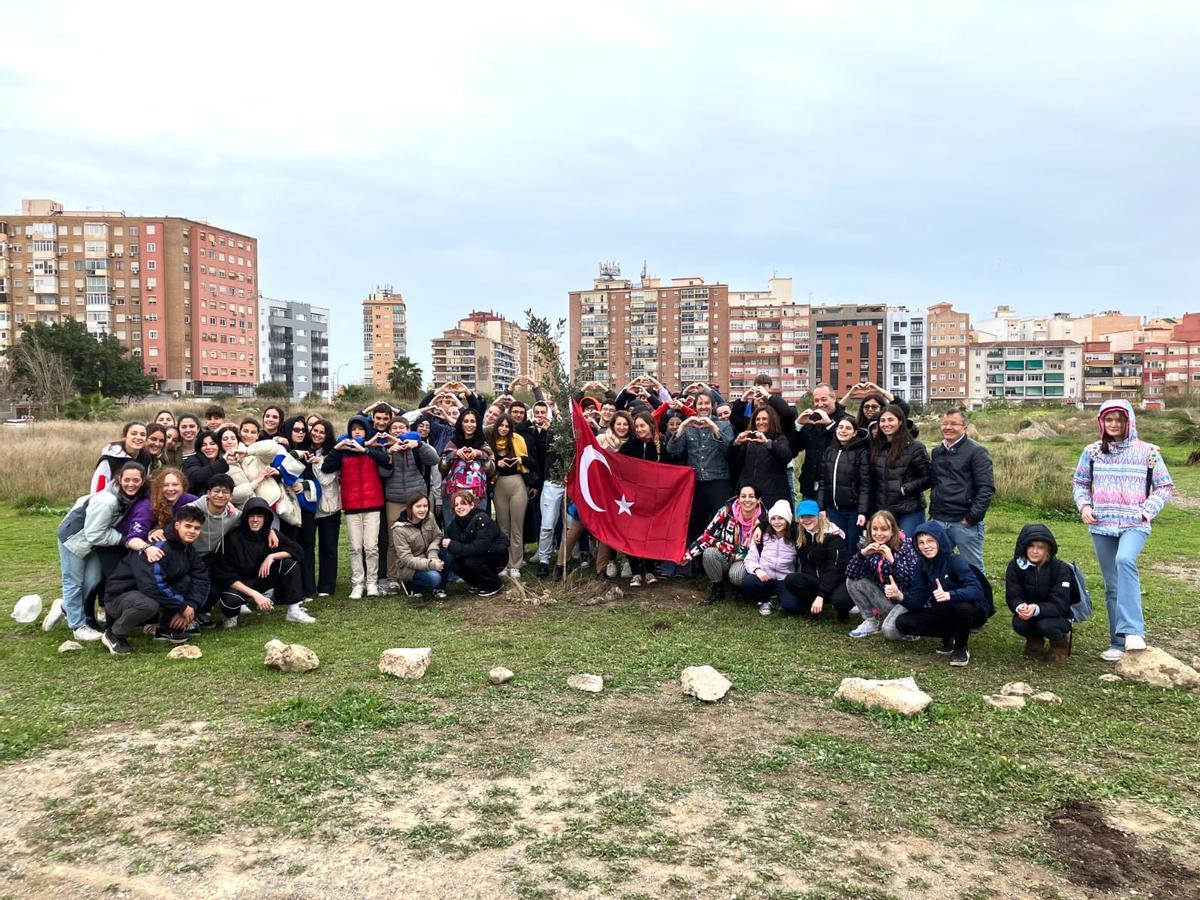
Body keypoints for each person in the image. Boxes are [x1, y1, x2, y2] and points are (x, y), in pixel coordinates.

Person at [1072, 399, 1173, 661]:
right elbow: (1081, 482)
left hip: (1135, 523)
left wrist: (1146, 510)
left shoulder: (1149, 452)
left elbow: (1164, 486)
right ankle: (1118, 643)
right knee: (1111, 584)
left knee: (1125, 560)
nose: (1114, 424)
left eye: (1120, 419)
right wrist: (1084, 507)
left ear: (1130, 421)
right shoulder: (1093, 452)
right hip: (1101, 524)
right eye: (1109, 419)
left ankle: (1134, 631)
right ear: (1101, 422)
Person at [47, 462, 149, 642]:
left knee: (93, 580)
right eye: (127, 480)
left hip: (93, 542)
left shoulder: (129, 497)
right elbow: (94, 534)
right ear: (119, 479)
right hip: (74, 540)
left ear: (142, 481)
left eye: (136, 480)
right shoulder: (107, 500)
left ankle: (65, 606)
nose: (131, 484)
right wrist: (124, 540)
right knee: (73, 582)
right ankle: (77, 626)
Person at [99, 506, 210, 654]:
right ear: (177, 525)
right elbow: (151, 586)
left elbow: (201, 578)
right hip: (120, 597)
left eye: (196, 528)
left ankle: (165, 628)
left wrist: (191, 604)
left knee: (185, 579)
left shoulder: (187, 549)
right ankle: (114, 633)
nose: (192, 531)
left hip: (144, 594)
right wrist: (182, 607)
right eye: (188, 526)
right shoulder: (158, 546)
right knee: (148, 604)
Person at [891, 521, 991, 666]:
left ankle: (961, 648)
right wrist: (900, 596)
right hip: (944, 610)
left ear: (940, 540)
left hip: (973, 610)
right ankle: (950, 634)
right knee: (903, 622)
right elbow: (918, 602)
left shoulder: (955, 560)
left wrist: (951, 595)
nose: (926, 546)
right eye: (921, 542)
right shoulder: (921, 565)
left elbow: (977, 590)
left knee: (961, 607)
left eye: (930, 541)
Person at [210, 497, 314, 628]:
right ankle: (232, 616)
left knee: (289, 563)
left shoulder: (271, 534)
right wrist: (255, 595)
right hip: (239, 584)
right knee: (230, 600)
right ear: (245, 518)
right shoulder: (232, 539)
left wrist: (272, 556)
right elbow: (225, 575)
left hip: (263, 578)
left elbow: (297, 550)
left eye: (259, 516)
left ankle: (294, 611)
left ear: (266, 519)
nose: (255, 520)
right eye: (251, 516)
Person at [322, 415, 392, 598]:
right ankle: (357, 583)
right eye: (354, 429)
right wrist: (337, 449)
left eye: (360, 429)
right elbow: (327, 467)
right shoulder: (343, 452)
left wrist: (365, 450)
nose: (357, 432)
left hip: (373, 504)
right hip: (352, 505)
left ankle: (372, 582)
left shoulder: (372, 449)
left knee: (371, 546)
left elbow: (386, 460)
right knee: (355, 547)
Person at [668, 391, 734, 559]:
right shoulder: (688, 427)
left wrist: (714, 428)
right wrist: (682, 427)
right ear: (695, 406)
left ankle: (722, 559)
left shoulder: (723, 425)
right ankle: (698, 563)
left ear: (712, 406)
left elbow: (731, 450)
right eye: (700, 403)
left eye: (707, 403)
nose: (703, 406)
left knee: (723, 522)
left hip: (719, 481)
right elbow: (672, 451)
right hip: (696, 483)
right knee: (697, 523)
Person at [928, 409, 994, 572]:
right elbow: (936, 483)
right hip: (939, 518)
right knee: (938, 565)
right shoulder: (937, 452)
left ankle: (979, 597)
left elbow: (986, 487)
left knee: (973, 567)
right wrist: (933, 513)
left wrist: (973, 517)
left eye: (953, 424)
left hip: (963, 522)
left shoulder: (977, 452)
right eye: (944, 423)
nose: (948, 427)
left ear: (965, 427)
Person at [682, 485, 767, 604]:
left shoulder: (766, 519)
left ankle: (739, 589)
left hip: (745, 560)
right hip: (725, 554)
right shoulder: (726, 512)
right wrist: (689, 554)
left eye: (751, 496)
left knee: (736, 575)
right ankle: (718, 589)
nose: (747, 500)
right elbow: (708, 536)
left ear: (758, 500)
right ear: (738, 499)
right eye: (743, 496)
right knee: (709, 553)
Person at [845, 510, 921, 639]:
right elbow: (851, 574)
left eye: (884, 529)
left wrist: (893, 561)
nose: (879, 533)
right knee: (852, 581)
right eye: (875, 529)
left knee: (889, 632)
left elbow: (913, 579)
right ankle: (871, 622)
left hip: (905, 600)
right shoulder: (870, 545)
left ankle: (910, 627)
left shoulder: (906, 546)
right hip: (885, 599)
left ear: (892, 530)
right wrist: (862, 554)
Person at [382, 420, 439, 591]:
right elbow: (383, 472)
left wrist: (419, 444)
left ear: (408, 430)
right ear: (390, 431)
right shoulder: (384, 447)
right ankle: (393, 577)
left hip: (417, 499)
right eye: (395, 428)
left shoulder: (416, 446)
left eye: (402, 428)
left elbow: (434, 459)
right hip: (394, 498)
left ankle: (420, 568)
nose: (398, 431)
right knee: (394, 541)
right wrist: (389, 454)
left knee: (424, 536)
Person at [1005, 524, 1074, 662]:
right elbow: (1013, 595)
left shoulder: (1060, 569)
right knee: (1019, 622)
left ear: (1048, 549)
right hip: (1029, 611)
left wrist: (1036, 609)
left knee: (1046, 625)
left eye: (1041, 547)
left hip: (1057, 616)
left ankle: (1059, 643)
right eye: (1031, 546)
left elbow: (1060, 604)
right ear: (1024, 547)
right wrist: (1020, 606)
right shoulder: (1015, 566)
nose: (1035, 551)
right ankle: (1034, 640)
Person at [868, 404, 931, 537]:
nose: (886, 424)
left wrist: (906, 489)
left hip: (909, 509)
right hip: (884, 509)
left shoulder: (915, 447)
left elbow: (929, 477)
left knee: (907, 549)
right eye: (883, 421)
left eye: (891, 420)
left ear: (900, 421)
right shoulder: (877, 448)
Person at [782, 501, 849, 620]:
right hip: (814, 581)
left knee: (841, 600)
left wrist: (821, 595)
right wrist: (760, 527)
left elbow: (835, 569)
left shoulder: (833, 536)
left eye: (810, 516)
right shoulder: (800, 532)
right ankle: (810, 606)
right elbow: (777, 522)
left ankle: (842, 613)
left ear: (819, 516)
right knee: (791, 579)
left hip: (835, 582)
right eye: (803, 517)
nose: (806, 520)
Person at [618, 411, 663, 586]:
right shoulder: (630, 445)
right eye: (636, 426)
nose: (639, 429)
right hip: (632, 497)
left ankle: (651, 570)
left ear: (651, 426)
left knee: (650, 533)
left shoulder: (661, 444)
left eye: (642, 426)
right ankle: (636, 571)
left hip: (653, 497)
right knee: (633, 533)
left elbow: (671, 468)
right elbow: (618, 463)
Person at [488, 413, 532, 578]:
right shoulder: (491, 442)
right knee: (502, 528)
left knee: (517, 527)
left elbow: (531, 462)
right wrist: (496, 464)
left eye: (507, 426)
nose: (504, 429)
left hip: (517, 484)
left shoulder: (518, 440)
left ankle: (516, 564)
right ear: (497, 426)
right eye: (501, 425)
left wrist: (521, 460)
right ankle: (503, 563)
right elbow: (487, 465)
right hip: (499, 484)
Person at [441, 490, 507, 596]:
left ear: (472, 505)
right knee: (455, 564)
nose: (459, 507)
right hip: (475, 555)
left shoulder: (482, 518)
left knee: (470, 561)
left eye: (463, 503)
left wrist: (453, 545)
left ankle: (494, 584)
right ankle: (479, 584)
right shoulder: (453, 526)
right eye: (456, 505)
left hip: (496, 554)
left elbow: (480, 547)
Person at [819, 417, 871, 552]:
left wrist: (862, 511)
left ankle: (854, 573)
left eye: (848, 428)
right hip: (833, 509)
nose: (843, 431)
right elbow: (823, 481)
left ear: (854, 433)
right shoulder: (829, 451)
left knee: (852, 547)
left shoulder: (861, 453)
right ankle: (839, 573)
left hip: (853, 511)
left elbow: (865, 484)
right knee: (837, 546)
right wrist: (821, 507)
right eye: (841, 427)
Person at [742, 500, 798, 616]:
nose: (776, 522)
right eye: (773, 518)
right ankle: (764, 600)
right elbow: (750, 557)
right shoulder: (762, 536)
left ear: (787, 520)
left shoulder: (796, 537)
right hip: (765, 577)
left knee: (791, 606)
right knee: (749, 582)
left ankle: (781, 598)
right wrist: (758, 570)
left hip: (784, 579)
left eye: (781, 518)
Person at [439, 409, 494, 526]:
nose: (469, 425)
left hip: (477, 496)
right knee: (452, 528)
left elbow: (492, 470)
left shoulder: (484, 445)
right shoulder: (452, 443)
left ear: (478, 424)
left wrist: (480, 454)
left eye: (473, 421)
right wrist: (455, 454)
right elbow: (442, 467)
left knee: (477, 528)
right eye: (466, 421)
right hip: (452, 495)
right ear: (461, 423)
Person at [797, 384, 851, 501]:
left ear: (833, 398)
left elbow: (849, 446)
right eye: (816, 400)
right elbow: (794, 449)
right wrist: (798, 425)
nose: (820, 404)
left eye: (824, 399)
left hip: (835, 487)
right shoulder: (811, 420)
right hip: (809, 486)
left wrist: (830, 425)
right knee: (808, 519)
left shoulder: (846, 420)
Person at [733, 406, 793, 510]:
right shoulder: (748, 440)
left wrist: (767, 443)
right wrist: (736, 443)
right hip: (751, 495)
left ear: (771, 420)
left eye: (764, 419)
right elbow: (733, 460)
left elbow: (786, 456)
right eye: (757, 419)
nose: (761, 422)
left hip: (774, 494)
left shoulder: (779, 438)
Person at [392, 493, 448, 599]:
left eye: (425, 506)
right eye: (418, 506)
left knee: (448, 551)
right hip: (410, 567)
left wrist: (433, 556)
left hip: (429, 556)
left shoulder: (430, 517)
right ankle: (410, 586)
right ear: (410, 508)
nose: (422, 510)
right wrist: (431, 564)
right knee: (434, 578)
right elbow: (406, 559)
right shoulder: (399, 529)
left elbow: (438, 536)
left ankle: (439, 588)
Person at [309, 418, 342, 597]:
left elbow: (326, 479)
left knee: (328, 548)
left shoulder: (334, 453)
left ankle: (326, 587)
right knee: (308, 547)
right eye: (315, 430)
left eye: (322, 432)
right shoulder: (304, 449)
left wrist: (317, 462)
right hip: (307, 507)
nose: (317, 434)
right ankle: (307, 585)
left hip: (328, 507)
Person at [89, 422, 149, 492]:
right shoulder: (109, 459)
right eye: (133, 434)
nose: (138, 437)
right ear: (124, 437)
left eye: (142, 435)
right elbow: (98, 488)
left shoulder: (146, 457)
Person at [183, 430, 230, 495]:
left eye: (212, 444)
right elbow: (196, 478)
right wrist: (222, 463)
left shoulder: (222, 461)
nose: (208, 447)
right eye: (204, 445)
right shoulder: (192, 460)